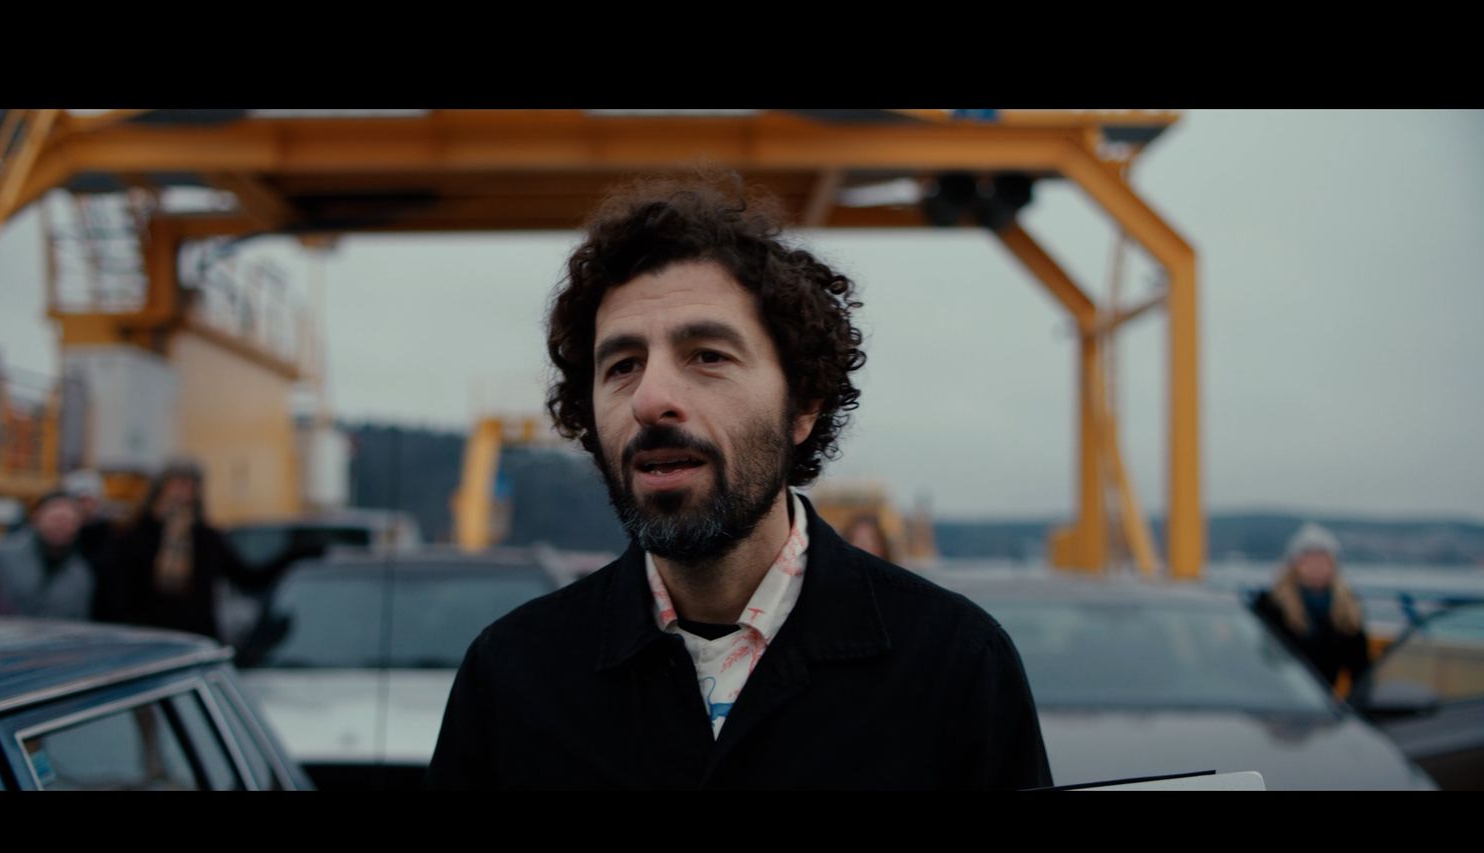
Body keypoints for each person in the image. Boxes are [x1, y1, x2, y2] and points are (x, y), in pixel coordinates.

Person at [427, 172, 1052, 789]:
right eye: (622, 365)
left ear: (803, 403)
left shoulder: (952, 665)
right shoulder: (513, 677)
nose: (652, 400)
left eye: (707, 355)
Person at [97, 460, 320, 641]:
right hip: (150, 643)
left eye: (190, 485)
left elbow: (248, 578)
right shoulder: (134, 536)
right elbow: (117, 597)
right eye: (177, 484)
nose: (183, 493)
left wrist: (293, 553)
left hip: (195, 641)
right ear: (160, 488)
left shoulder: (206, 538)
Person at [1252, 522, 1370, 694]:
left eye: (1323, 560)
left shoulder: (1347, 609)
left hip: (1322, 701)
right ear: (1294, 565)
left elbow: (1359, 667)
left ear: (1333, 566)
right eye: (1307, 560)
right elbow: (1259, 656)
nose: (1316, 567)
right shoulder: (1270, 604)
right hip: (1276, 696)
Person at [0, 490, 95, 621]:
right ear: (36, 516)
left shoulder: (81, 575)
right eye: (56, 518)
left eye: (69, 521)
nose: (61, 526)